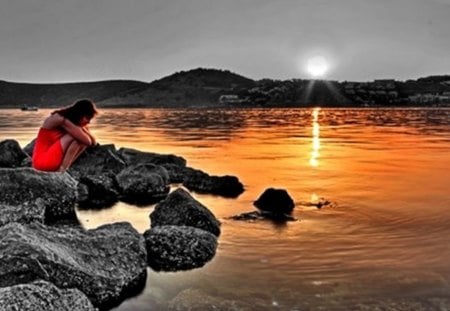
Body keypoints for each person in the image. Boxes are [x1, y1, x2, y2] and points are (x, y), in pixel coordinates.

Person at [32, 99, 98, 172]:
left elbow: (93, 142)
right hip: (43, 162)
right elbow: (88, 141)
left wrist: (82, 127)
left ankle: (63, 169)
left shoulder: (72, 121)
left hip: (46, 161)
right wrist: (82, 128)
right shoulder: (62, 120)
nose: (89, 122)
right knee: (78, 139)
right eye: (87, 118)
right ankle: (62, 170)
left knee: (80, 139)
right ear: (80, 114)